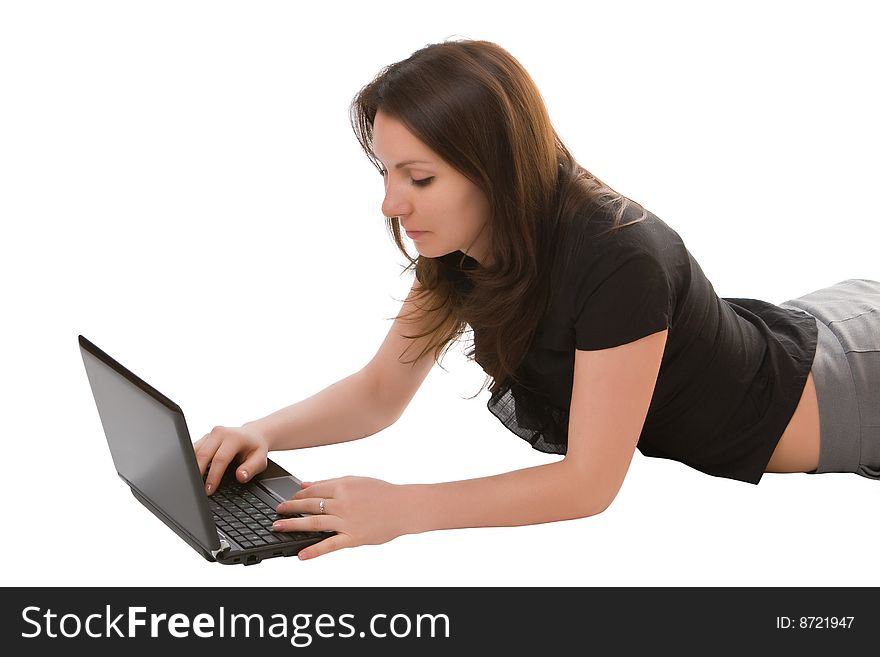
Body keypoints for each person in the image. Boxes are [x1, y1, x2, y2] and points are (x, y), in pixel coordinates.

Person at [193, 39, 880, 561]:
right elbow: (379, 390)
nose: (391, 203)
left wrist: (402, 508)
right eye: (387, 172)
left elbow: (588, 484)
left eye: (419, 177)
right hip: (811, 328)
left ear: (492, 166)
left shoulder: (621, 257)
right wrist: (265, 432)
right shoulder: (469, 244)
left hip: (856, 388)